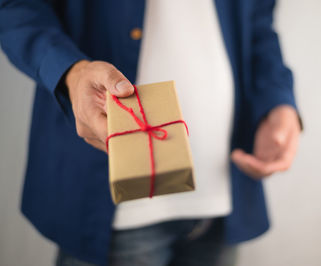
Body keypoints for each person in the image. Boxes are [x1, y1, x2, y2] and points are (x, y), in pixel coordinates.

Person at [0, 0, 301, 265]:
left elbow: (259, 24)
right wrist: (72, 72)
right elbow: (14, 6)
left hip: (222, 189)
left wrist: (278, 102)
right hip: (111, 198)